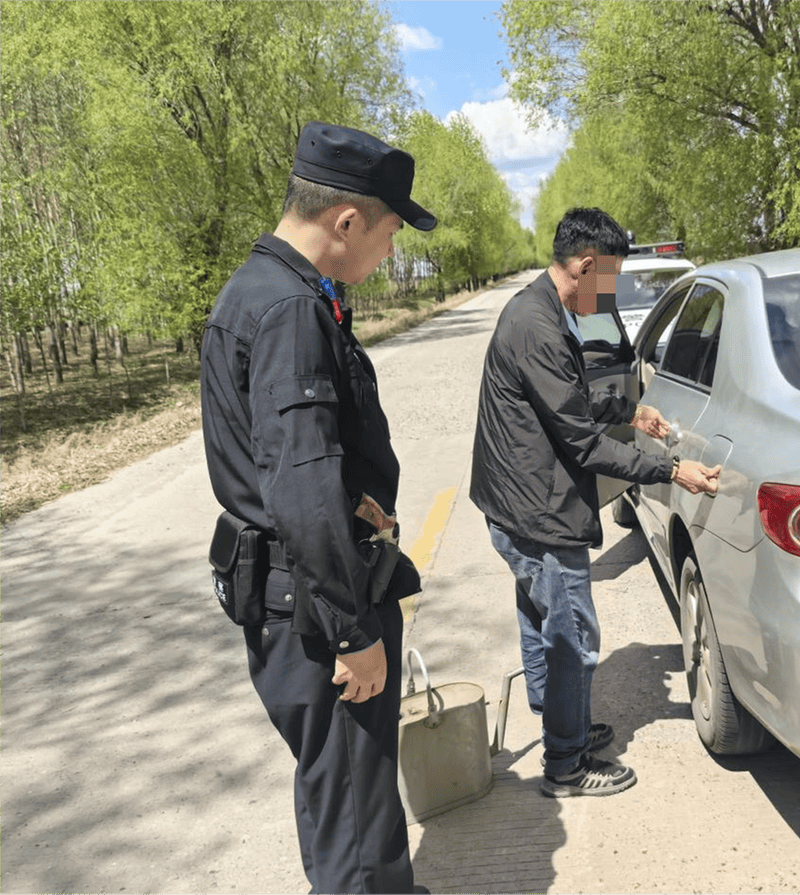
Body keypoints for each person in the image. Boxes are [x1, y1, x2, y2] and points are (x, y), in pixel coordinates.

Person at [200, 121, 436, 894]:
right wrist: (351, 629)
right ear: (346, 220)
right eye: (390, 232)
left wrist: (352, 499)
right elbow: (299, 487)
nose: (390, 252)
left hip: (296, 591)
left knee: (345, 798)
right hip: (315, 606)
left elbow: (288, 462)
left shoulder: (263, 289)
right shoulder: (289, 310)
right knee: (355, 829)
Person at [470, 206, 721, 798]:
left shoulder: (541, 310)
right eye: (609, 280)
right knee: (573, 638)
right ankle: (566, 764)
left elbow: (570, 398)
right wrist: (670, 469)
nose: (610, 295)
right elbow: (581, 442)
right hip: (535, 512)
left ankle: (565, 723)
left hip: (515, 504)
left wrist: (630, 411)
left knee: (543, 621)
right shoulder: (536, 325)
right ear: (585, 266)